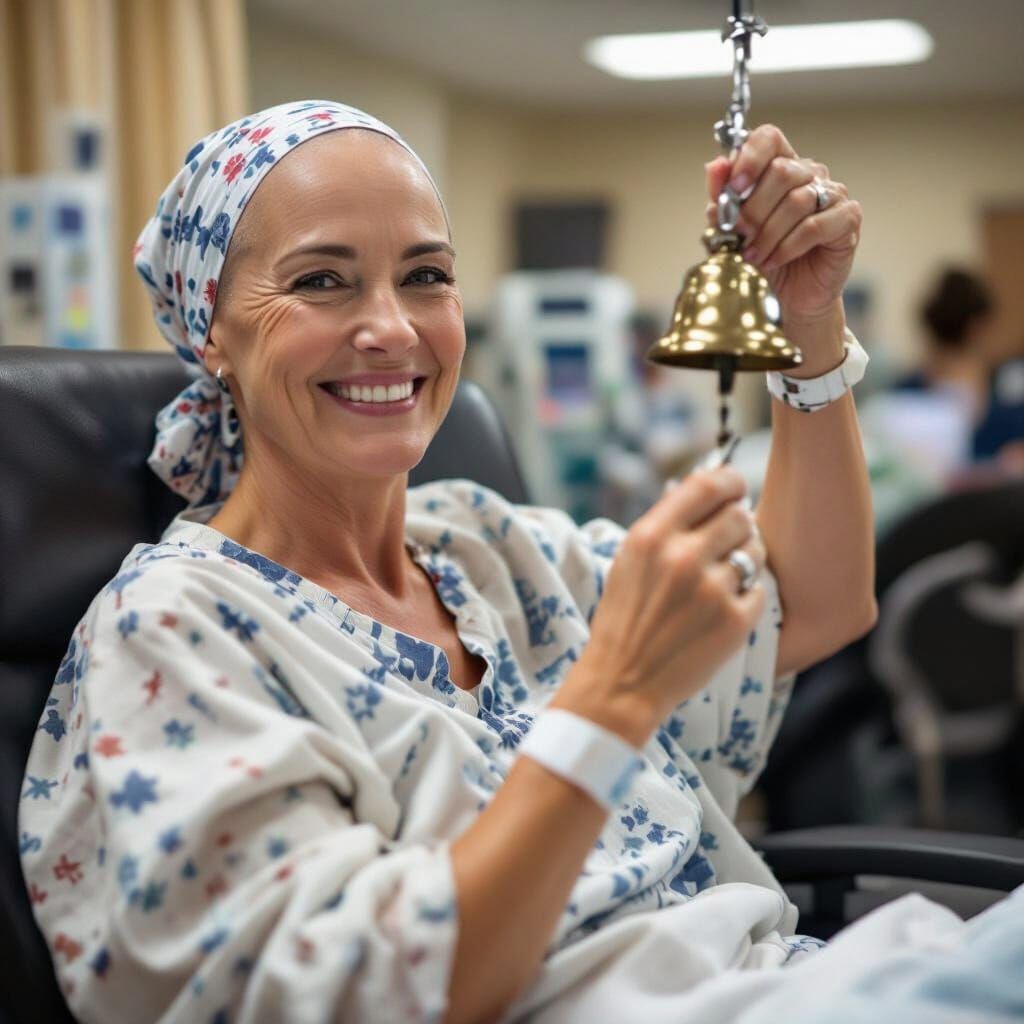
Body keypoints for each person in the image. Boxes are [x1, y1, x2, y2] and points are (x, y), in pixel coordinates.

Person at [20, 102, 880, 1023]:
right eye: (322, 281)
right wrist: (613, 699)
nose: (392, 328)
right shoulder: (177, 632)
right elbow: (343, 995)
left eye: (425, 275)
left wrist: (809, 322)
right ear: (213, 332)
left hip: (784, 980)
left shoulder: (496, 552)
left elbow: (814, 604)